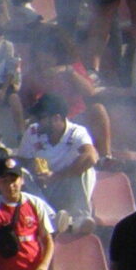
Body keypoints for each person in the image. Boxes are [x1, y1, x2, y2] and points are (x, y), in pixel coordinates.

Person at [15, 93, 99, 230]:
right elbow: (21, 160)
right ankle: (52, 218)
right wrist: (32, 167)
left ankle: (80, 219)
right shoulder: (32, 131)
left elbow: (91, 156)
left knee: (86, 168)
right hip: (42, 191)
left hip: (68, 186)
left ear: (56, 118)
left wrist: (56, 176)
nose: (36, 121)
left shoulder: (77, 132)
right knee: (20, 173)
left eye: (41, 118)